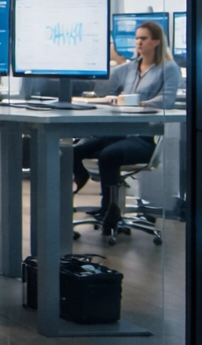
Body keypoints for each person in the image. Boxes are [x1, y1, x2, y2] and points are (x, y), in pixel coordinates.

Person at [72, 20, 181, 233]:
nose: (139, 42)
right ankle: (84, 179)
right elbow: (109, 92)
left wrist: (139, 103)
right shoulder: (129, 68)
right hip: (119, 132)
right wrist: (109, 97)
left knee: (109, 155)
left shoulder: (168, 68)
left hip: (145, 136)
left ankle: (110, 210)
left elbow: (167, 100)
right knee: (76, 150)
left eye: (144, 38)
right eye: (137, 38)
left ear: (156, 42)